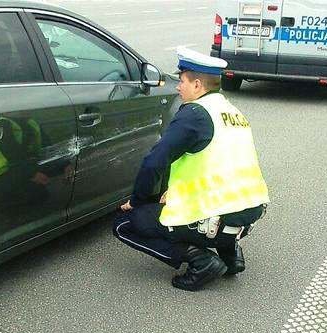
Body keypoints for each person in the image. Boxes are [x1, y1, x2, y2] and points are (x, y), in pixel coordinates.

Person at [113, 47, 270, 291]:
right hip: (250, 212)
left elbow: (155, 161)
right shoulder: (231, 111)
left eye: (182, 80)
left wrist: (138, 201)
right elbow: (215, 163)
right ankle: (231, 255)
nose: (178, 86)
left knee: (125, 224)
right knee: (209, 209)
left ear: (197, 85)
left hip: (216, 217)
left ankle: (202, 260)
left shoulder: (194, 114)